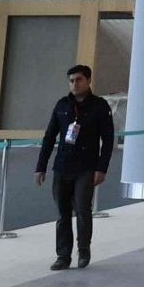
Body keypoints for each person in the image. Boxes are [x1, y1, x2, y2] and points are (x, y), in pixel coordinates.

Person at [34, 63, 114, 271]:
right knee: (62, 214)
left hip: (86, 167)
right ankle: (63, 255)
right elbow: (50, 136)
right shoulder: (62, 105)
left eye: (78, 80)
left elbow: (108, 139)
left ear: (88, 81)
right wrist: (41, 166)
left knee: (82, 210)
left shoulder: (99, 106)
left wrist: (101, 168)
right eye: (71, 81)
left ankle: (83, 250)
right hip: (62, 167)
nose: (74, 84)